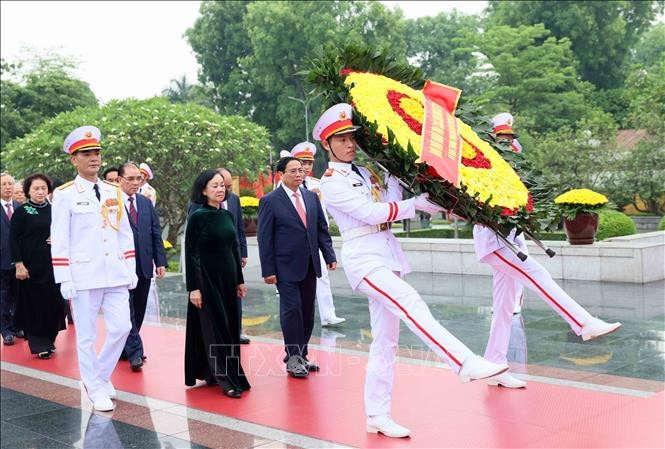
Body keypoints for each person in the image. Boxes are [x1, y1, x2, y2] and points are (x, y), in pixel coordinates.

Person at [315, 103, 509, 438]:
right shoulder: (332, 181)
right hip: (364, 258)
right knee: (411, 303)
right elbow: (370, 212)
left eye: (351, 137)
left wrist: (395, 172)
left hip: (386, 254)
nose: (349, 143)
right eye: (341, 139)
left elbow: (387, 197)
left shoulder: (366, 172)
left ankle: (376, 413)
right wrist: (412, 205)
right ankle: (463, 362)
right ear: (327, 145)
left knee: (385, 341)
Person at [51, 125, 137, 412]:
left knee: (122, 327)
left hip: (115, 272)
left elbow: (124, 232)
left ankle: (97, 377)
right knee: (86, 337)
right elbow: (60, 239)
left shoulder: (114, 190)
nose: (94, 158)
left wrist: (131, 266)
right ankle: (95, 387)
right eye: (86, 153)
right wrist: (63, 277)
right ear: (74, 160)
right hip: (83, 275)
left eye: (97, 152)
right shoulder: (64, 194)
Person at [257, 157, 337, 378]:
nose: (299, 174)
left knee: (307, 313)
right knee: (291, 311)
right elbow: (265, 239)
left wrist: (329, 255)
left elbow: (321, 230)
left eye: (301, 170)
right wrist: (268, 270)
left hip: (310, 265)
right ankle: (293, 358)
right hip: (285, 268)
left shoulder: (311, 198)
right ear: (281, 174)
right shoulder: (270, 201)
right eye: (293, 171)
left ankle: (301, 355)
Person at [184, 169, 250, 398]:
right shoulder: (198, 216)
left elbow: (233, 249)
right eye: (215, 186)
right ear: (203, 190)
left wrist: (240, 282)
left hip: (228, 280)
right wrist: (193, 288)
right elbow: (190, 253)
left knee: (230, 329)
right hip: (207, 280)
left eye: (222, 185)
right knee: (214, 329)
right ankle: (224, 379)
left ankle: (232, 373)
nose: (220, 189)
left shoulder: (227, 215)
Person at [289, 142, 346, 327]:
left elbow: (325, 213)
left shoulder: (318, 185)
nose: (306, 167)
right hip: (295, 243)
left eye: (309, 163)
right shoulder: (286, 188)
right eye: (302, 162)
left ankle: (328, 315)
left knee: (322, 276)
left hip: (316, 240)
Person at [117, 163, 167, 372]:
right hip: (121, 268)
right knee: (125, 310)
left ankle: (124, 348)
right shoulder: (111, 204)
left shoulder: (145, 203)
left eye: (138, 178)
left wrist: (161, 261)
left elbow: (155, 233)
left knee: (138, 309)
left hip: (144, 266)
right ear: (120, 179)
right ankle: (135, 352)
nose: (136, 183)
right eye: (130, 179)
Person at [9, 173, 65, 358]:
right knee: (34, 304)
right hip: (30, 266)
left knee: (54, 303)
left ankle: (49, 338)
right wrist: (19, 264)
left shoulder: (55, 209)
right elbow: (13, 239)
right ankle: (39, 343)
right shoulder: (22, 211)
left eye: (43, 188)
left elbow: (65, 231)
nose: (40, 192)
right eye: (36, 189)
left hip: (53, 265)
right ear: (28, 191)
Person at [490, 112, 524, 314]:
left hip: (513, 215)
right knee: (499, 266)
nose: (508, 141)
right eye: (504, 138)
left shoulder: (514, 159)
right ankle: (501, 303)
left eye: (510, 138)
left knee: (520, 258)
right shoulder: (490, 159)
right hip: (496, 216)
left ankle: (515, 302)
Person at [1, 173, 23, 345]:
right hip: (2, 261)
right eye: (3, 184)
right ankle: (6, 330)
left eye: (10, 183)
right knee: (3, 297)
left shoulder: (20, 206)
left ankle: (17, 326)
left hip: (19, 261)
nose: (8, 187)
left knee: (19, 296)